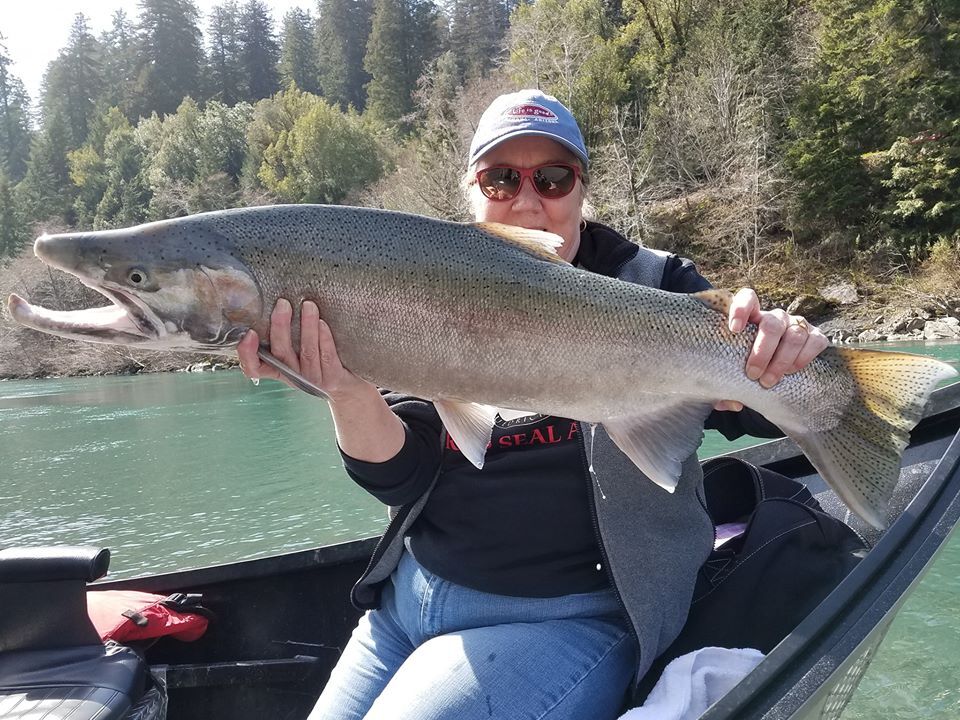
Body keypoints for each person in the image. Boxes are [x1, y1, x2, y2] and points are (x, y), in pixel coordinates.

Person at [236, 89, 829, 720]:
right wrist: (346, 390)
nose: (526, 200)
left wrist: (787, 352)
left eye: (552, 178)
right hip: (408, 602)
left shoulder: (657, 286)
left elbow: (765, 408)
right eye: (499, 180)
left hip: (577, 615)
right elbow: (401, 475)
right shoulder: (408, 288)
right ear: (470, 190)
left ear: (581, 189)